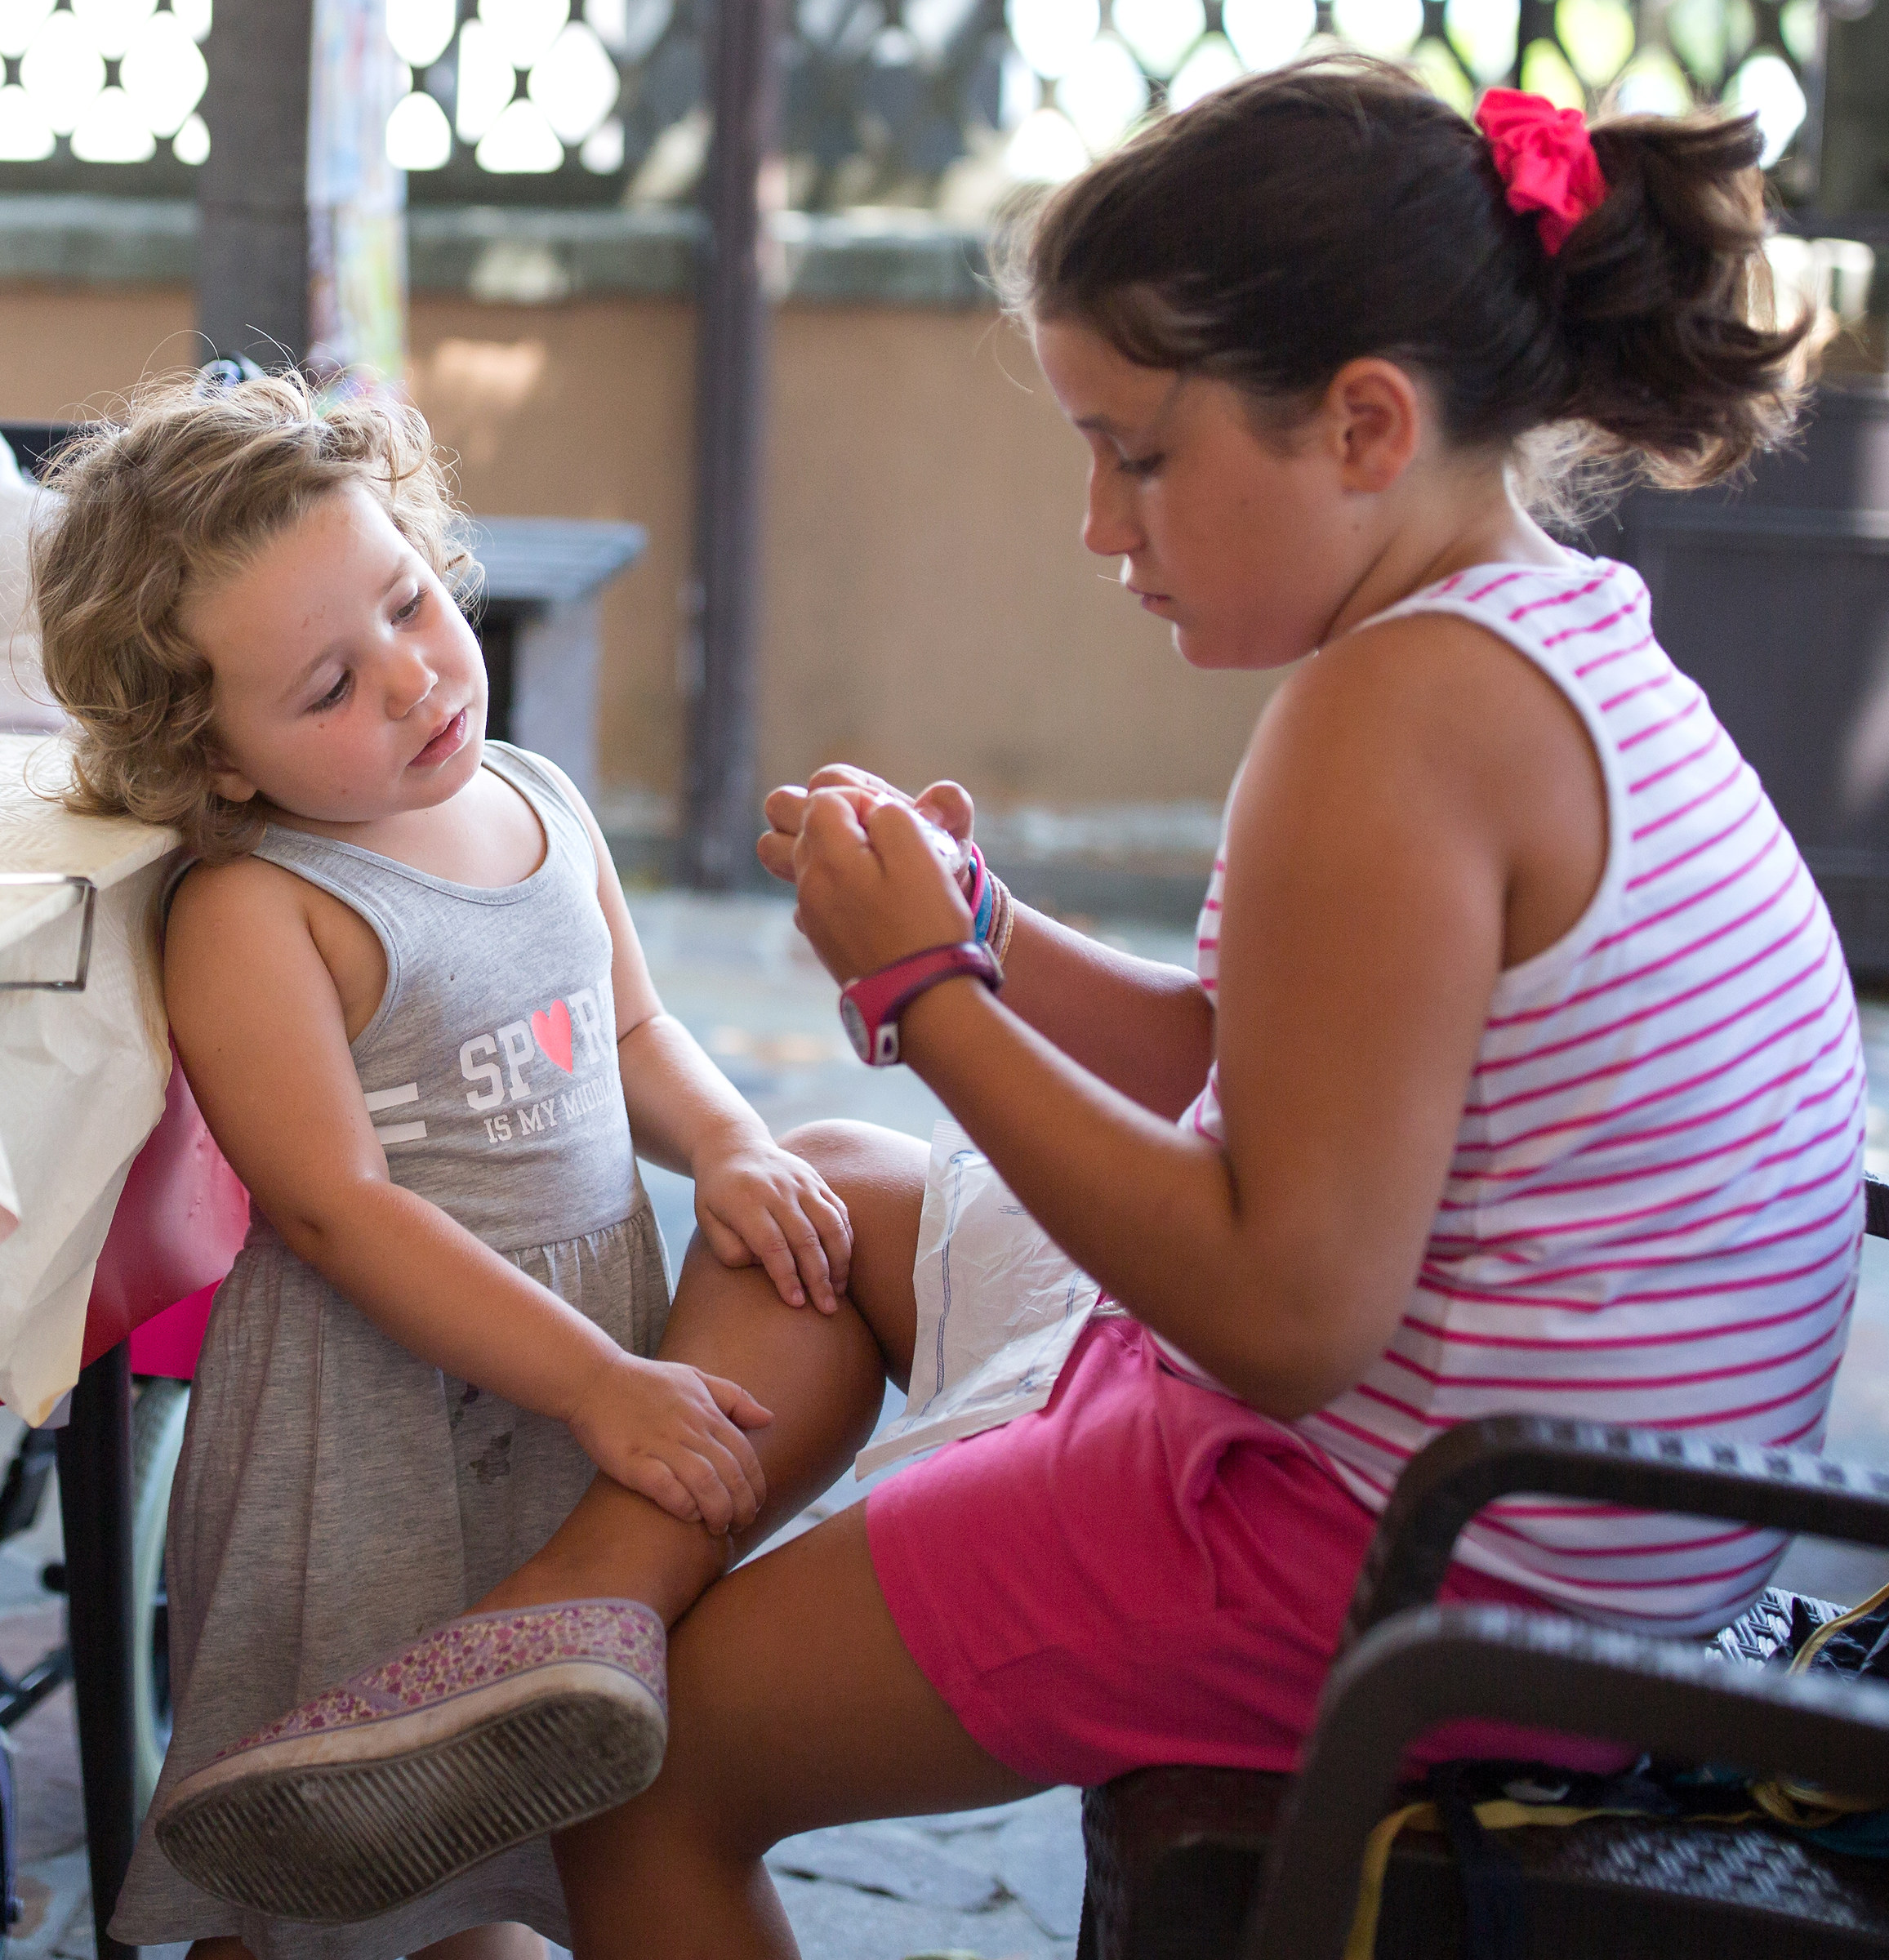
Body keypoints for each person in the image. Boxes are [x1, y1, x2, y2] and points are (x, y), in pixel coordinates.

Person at [144, 60, 1863, 1960]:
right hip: (1571, 1526)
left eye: (1132, 451)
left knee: (636, 1794)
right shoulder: (1533, 643)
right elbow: (1244, 1058)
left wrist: (922, 990)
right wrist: (989, 928)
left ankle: (570, 1667)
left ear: (1363, 424)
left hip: (1400, 1553)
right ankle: (579, 1607)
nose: (1096, 524)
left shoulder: (1387, 727)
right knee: (829, 1186)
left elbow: (1283, 1321)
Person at [33, 370, 856, 1960]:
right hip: (374, 1434)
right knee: (307, 1871)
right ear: (214, 759)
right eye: (329, 685)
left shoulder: (536, 798)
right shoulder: (263, 912)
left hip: (580, 1369)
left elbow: (632, 1033)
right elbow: (339, 1214)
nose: (413, 679)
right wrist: (595, 1389)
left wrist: (735, 1142)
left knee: (536, 1828)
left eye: (408, 602)